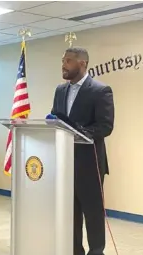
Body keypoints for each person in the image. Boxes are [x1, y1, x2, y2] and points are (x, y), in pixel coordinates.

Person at [51, 47, 114, 255]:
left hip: (90, 163)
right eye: (63, 60)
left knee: (92, 212)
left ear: (82, 63)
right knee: (71, 212)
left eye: (68, 61)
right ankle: (74, 250)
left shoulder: (100, 90)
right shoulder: (60, 90)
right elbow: (55, 118)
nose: (63, 65)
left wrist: (78, 132)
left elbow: (105, 126)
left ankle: (96, 251)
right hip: (65, 162)